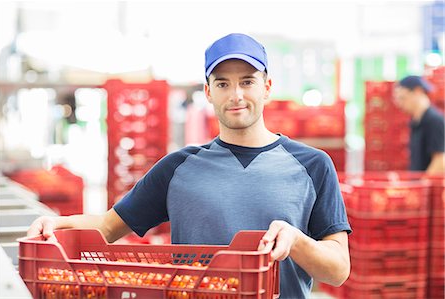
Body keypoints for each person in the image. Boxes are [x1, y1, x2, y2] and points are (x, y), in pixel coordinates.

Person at [27, 33, 351, 298]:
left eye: (248, 81)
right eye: (223, 83)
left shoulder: (312, 165)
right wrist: (57, 225)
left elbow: (337, 271)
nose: (236, 94)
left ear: (266, 87)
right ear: (209, 93)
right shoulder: (178, 168)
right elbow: (108, 227)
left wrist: (296, 240)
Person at [394, 75, 445, 174]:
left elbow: (440, 161)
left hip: (428, 187)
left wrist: (421, 186)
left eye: (403, 98)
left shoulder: (434, 120)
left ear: (418, 91)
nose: (400, 104)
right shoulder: (415, 121)